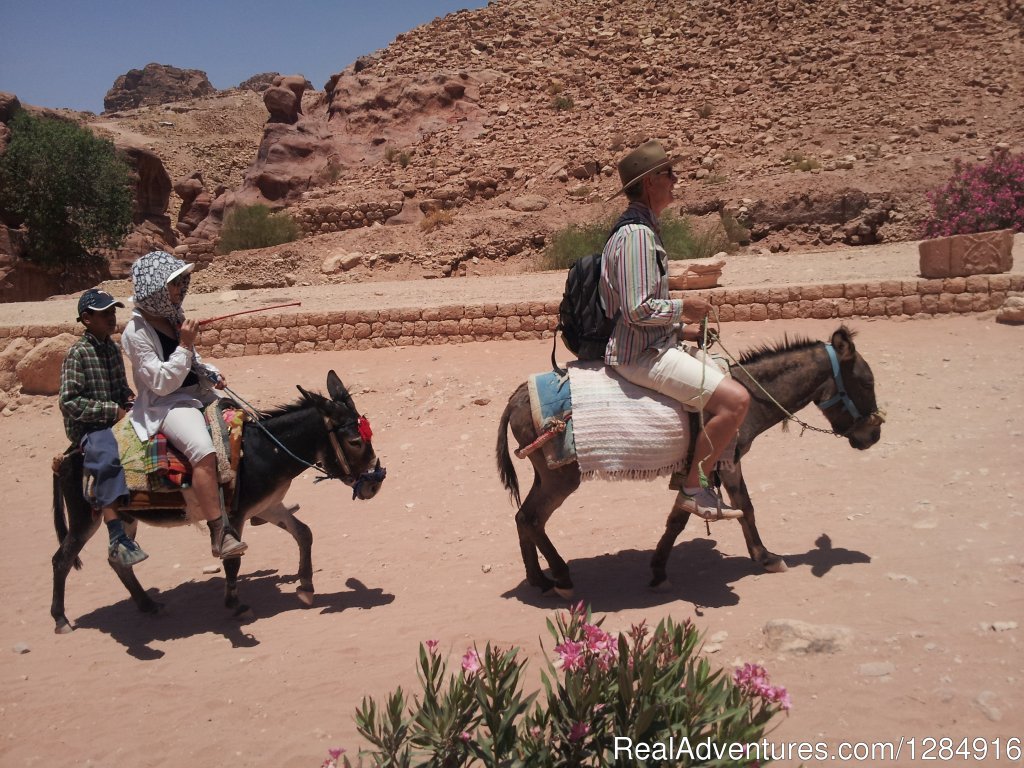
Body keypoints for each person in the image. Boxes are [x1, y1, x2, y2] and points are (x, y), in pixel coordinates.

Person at [599, 140, 750, 521]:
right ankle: (693, 488)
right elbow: (637, 309)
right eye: (668, 174)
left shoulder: (643, 229)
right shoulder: (636, 236)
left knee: (721, 373)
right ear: (650, 183)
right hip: (641, 356)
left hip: (655, 345)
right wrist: (687, 308)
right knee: (736, 402)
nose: (675, 180)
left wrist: (680, 330)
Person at [121, 250, 247, 558]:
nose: (180, 290)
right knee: (203, 452)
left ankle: (252, 501)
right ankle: (220, 532)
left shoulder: (172, 318)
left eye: (180, 283)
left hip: (197, 395)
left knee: (246, 431)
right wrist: (186, 344)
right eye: (173, 284)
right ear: (154, 289)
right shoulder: (135, 333)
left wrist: (210, 372)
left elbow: (194, 363)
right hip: (167, 404)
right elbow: (162, 382)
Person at [59, 288, 148, 566]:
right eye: (105, 313)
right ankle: (117, 536)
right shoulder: (78, 353)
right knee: (108, 456)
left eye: (113, 312)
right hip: (90, 427)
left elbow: (121, 388)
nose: (112, 317)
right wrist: (114, 410)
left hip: (116, 417)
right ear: (87, 318)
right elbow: (69, 402)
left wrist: (132, 401)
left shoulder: (111, 347)